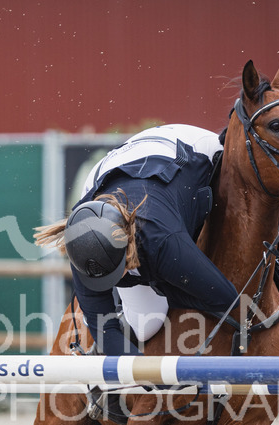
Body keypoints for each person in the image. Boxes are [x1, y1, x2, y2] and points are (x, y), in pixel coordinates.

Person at [35, 124, 239, 356]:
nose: (112, 281)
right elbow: (106, 332)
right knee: (145, 327)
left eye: (116, 269)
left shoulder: (162, 242)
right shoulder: (81, 241)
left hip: (194, 147)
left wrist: (164, 286)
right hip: (112, 170)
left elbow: (226, 298)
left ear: (128, 245)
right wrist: (147, 380)